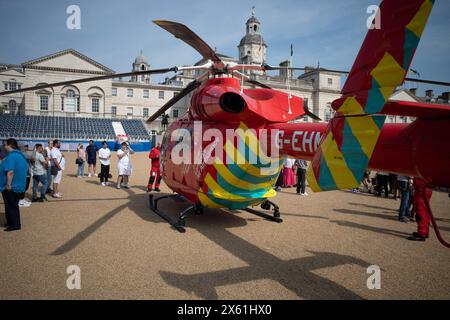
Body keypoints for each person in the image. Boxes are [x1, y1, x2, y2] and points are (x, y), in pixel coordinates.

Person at [0, 138, 28, 231]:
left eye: (5, 145)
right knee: (10, 205)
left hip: (11, 187)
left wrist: (8, 185)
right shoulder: (20, 155)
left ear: (9, 145)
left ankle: (15, 225)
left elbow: (10, 171)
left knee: (11, 206)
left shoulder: (12, 156)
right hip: (17, 185)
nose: (4, 146)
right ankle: (10, 222)